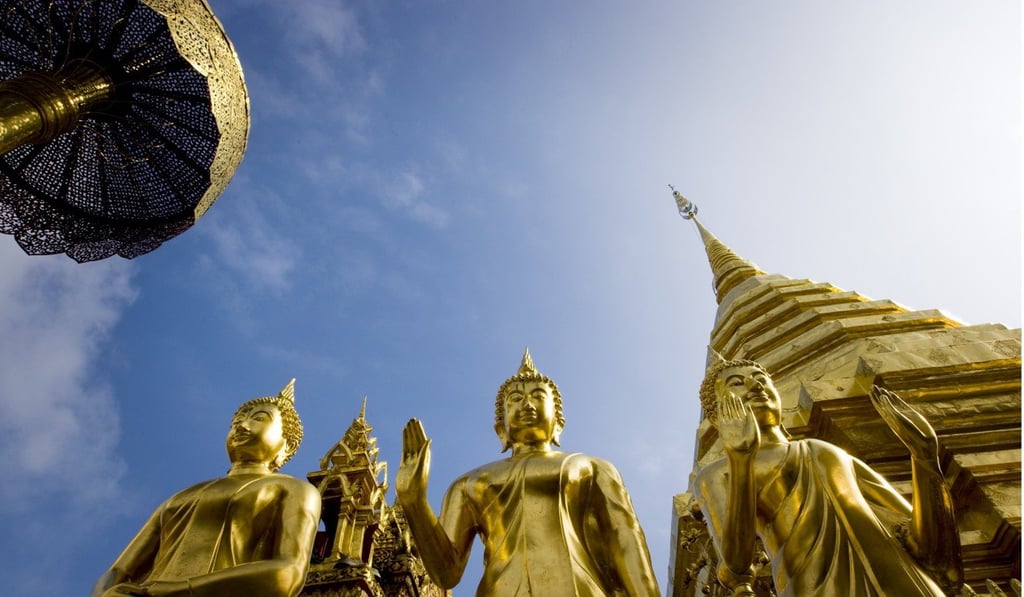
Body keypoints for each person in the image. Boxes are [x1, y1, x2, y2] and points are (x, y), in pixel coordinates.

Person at [396, 349, 660, 596]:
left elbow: (625, 543)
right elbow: (446, 573)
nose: (527, 405)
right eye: (516, 399)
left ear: (559, 422)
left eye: (538, 396)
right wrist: (414, 502)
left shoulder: (591, 468)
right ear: (501, 428)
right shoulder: (469, 484)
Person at [693, 358, 963, 597]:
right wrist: (741, 460)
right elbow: (735, 565)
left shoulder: (824, 450)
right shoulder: (718, 472)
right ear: (717, 415)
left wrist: (924, 458)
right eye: (738, 383)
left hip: (903, 579)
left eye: (762, 380)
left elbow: (924, 547)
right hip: (815, 586)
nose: (756, 387)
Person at [92, 380, 321, 597]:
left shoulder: (291, 489)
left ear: (285, 444)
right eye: (236, 422)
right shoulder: (180, 498)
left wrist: (180, 590)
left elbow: (287, 574)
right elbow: (117, 573)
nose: (241, 425)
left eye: (259, 419)